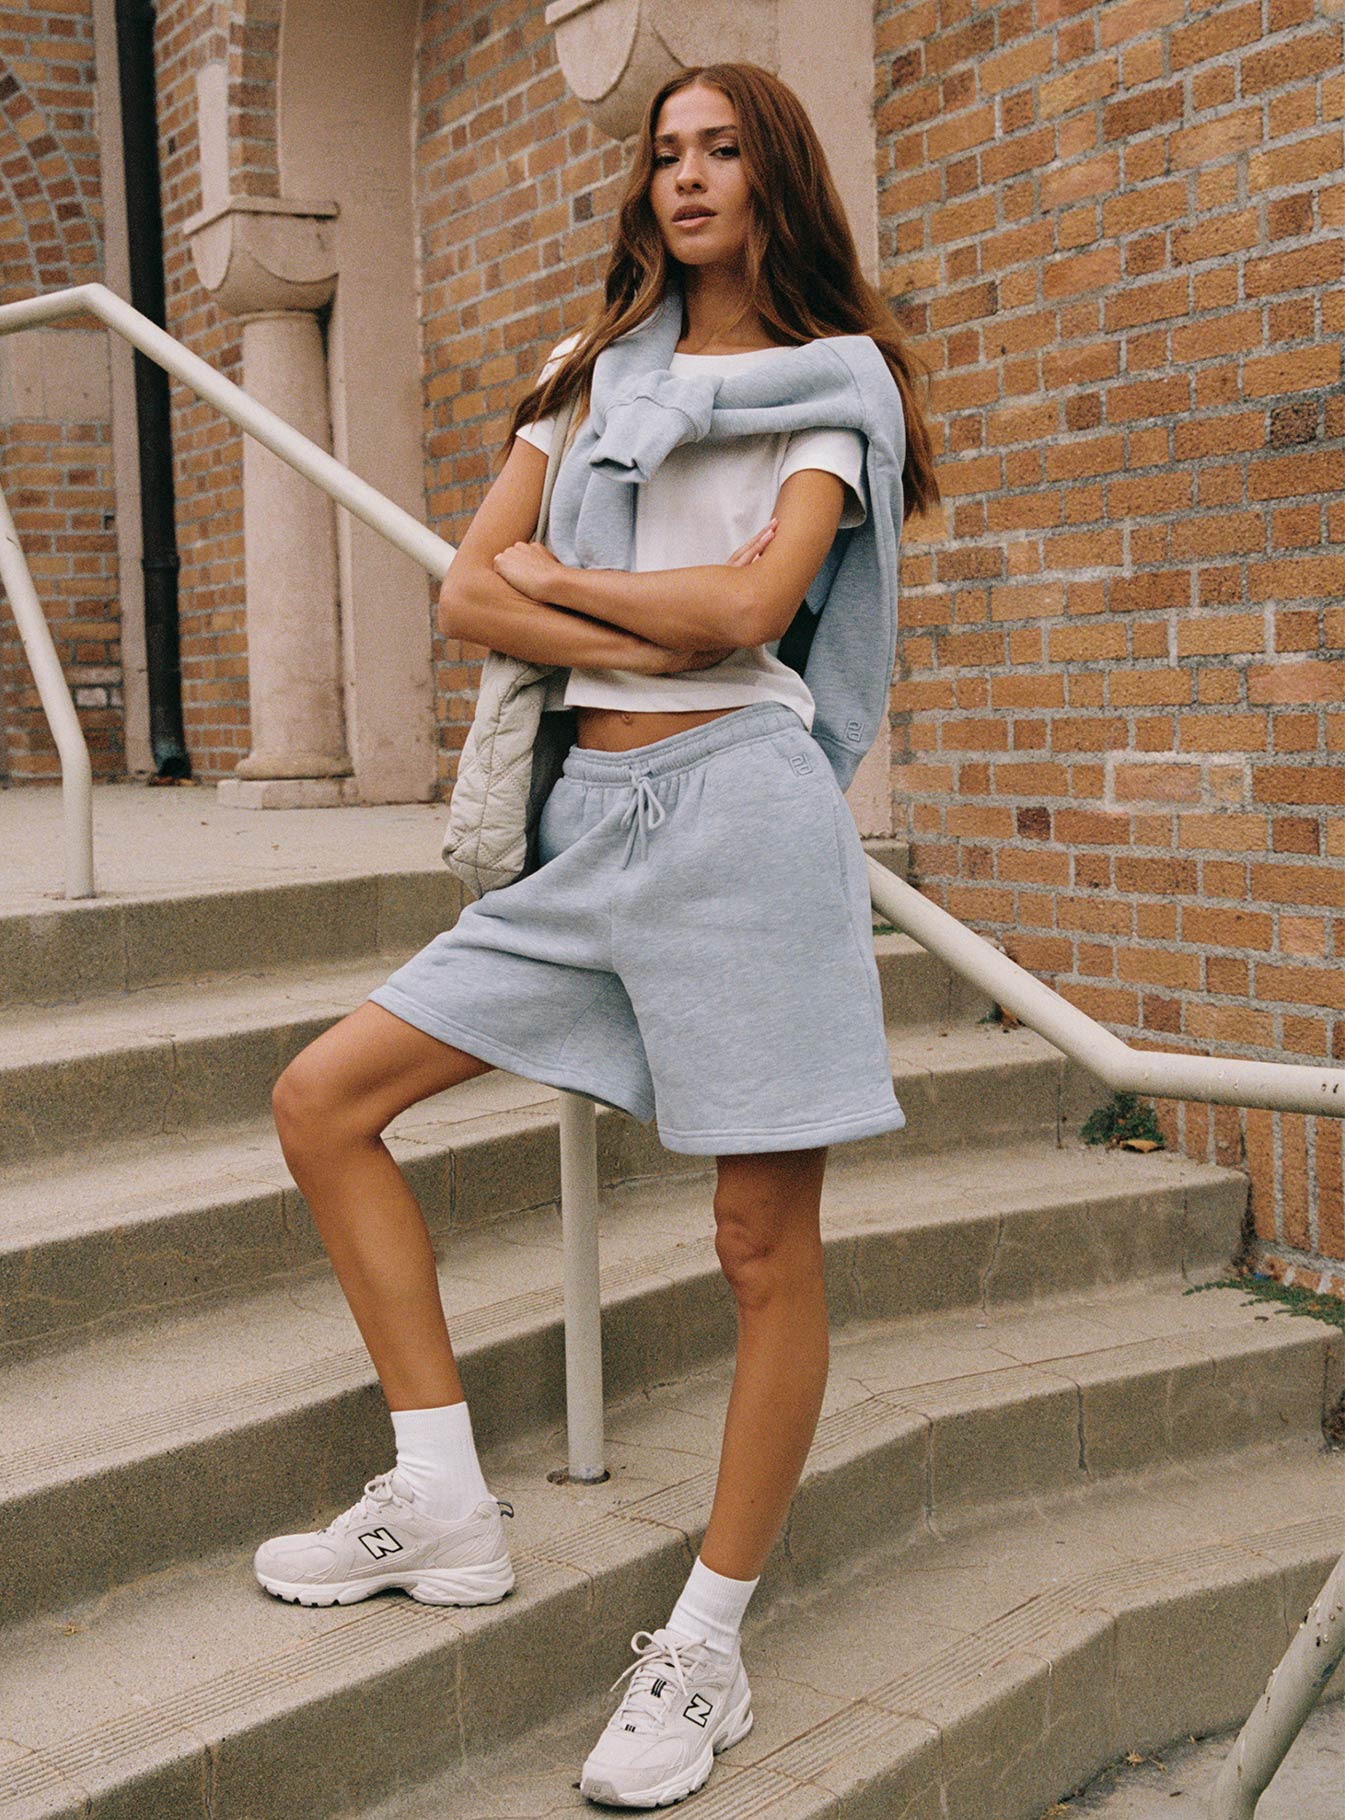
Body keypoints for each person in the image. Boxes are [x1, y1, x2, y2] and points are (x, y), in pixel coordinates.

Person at [254, 60, 940, 1811]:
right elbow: (471, 586)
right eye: (666, 151)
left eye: (721, 149)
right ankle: (445, 1500)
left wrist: (580, 603)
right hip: (582, 831)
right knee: (325, 1101)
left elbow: (751, 610)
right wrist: (633, 619)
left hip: (742, 821)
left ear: (776, 178)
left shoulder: (829, 386)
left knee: (758, 1243)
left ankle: (704, 1642)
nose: (687, 175)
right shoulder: (589, 373)